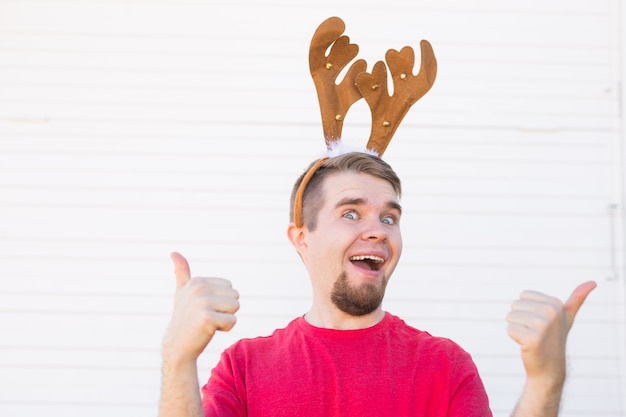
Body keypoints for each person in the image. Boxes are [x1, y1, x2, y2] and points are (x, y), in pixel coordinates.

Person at [158, 151, 597, 417]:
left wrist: (546, 380)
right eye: (351, 213)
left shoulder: (445, 366)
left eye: (389, 217)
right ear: (301, 238)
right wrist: (177, 358)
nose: (378, 230)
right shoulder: (244, 368)